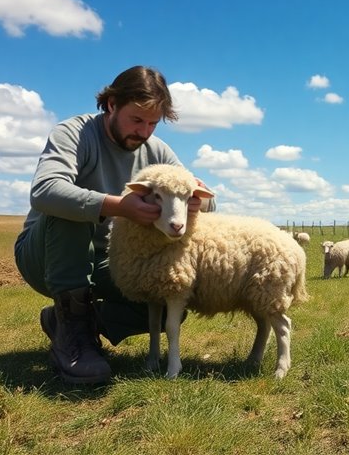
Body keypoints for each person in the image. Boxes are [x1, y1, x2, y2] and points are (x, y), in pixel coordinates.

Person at [14, 65, 214, 384]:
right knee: (78, 209)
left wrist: (195, 199)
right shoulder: (74, 133)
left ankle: (72, 322)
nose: (144, 131)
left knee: (166, 302)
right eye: (136, 120)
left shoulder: (156, 151)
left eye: (153, 124)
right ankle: (75, 342)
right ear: (111, 105)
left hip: (112, 260)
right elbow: (44, 190)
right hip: (46, 256)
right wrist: (119, 207)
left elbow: (207, 199)